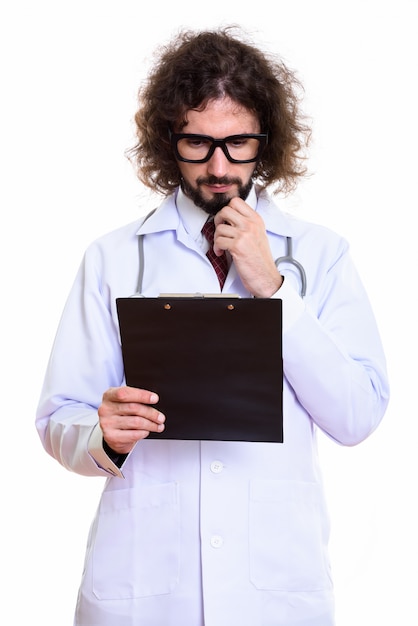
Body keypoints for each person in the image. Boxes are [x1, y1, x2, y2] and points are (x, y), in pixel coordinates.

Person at [36, 26, 389, 626]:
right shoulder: (113, 258)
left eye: (238, 143)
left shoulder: (321, 255)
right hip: (144, 590)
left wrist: (272, 287)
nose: (219, 166)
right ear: (167, 141)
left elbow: (357, 415)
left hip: (273, 590)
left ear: (265, 142)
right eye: (197, 144)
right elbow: (57, 418)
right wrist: (106, 435)